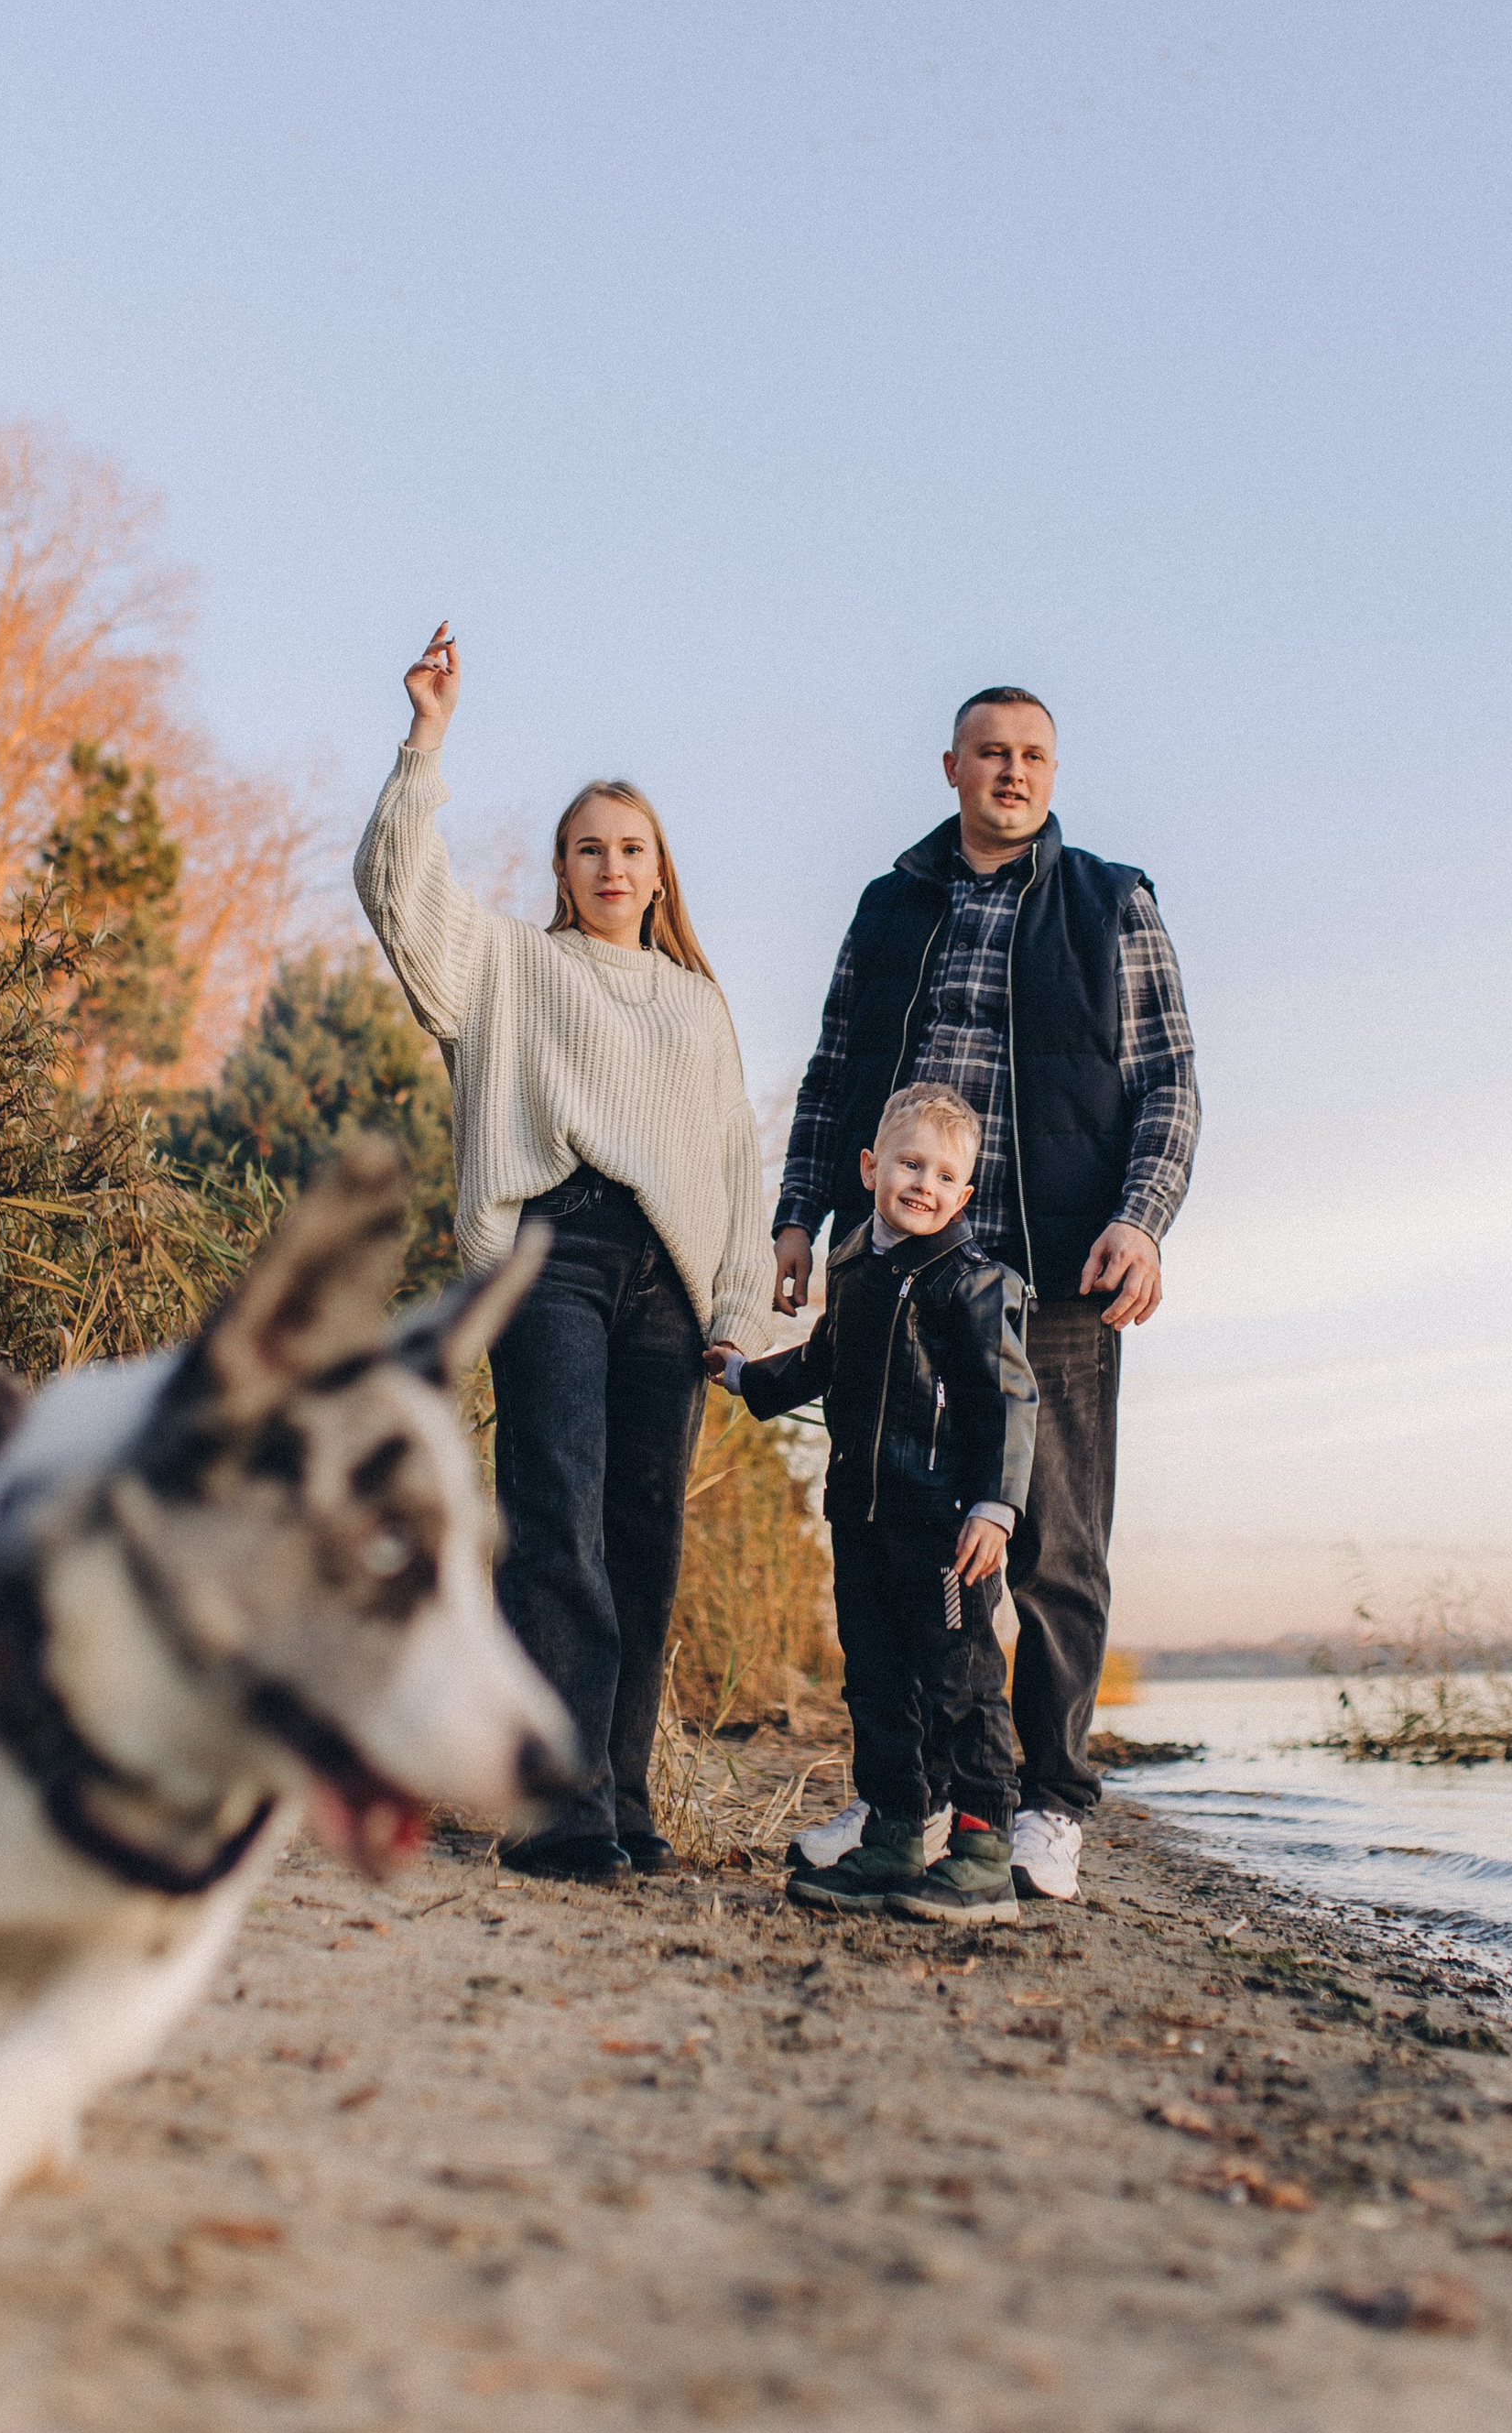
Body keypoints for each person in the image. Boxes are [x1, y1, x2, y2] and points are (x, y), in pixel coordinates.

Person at [354, 621, 772, 1882]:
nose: (610, 865)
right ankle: (555, 1810)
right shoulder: (511, 965)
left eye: (631, 848)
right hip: (553, 1253)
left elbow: (733, 1164)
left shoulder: (699, 1003)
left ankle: (622, 1800)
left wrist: (738, 1309)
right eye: (588, 847)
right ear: (561, 867)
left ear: (659, 870)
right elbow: (397, 892)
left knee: (643, 1539)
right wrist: (426, 741)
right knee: (557, 1523)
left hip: (669, 1279)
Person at [771, 688, 1199, 1906]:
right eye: (991, 753)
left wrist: (1140, 1220)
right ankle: (903, 1800)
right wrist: (801, 1213)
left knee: (1053, 1551)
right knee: (897, 1549)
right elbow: (833, 1072)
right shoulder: (890, 904)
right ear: (951, 765)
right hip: (897, 1280)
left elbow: (1168, 1083)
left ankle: (1047, 1807)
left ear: (1052, 772)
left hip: (1053, 1277)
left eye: (1033, 756)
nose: (1013, 772)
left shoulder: (1111, 902)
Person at [709, 1085, 1037, 1926]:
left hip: (946, 1528)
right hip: (860, 1518)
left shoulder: (975, 1284)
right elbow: (823, 1359)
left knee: (961, 1681)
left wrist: (995, 1507)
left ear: (965, 1194)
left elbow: (1008, 1402)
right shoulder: (853, 1267)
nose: (924, 1184)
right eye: (910, 1164)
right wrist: (745, 1375)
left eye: (945, 1175)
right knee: (878, 1683)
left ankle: (983, 1852)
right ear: (870, 1168)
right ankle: (894, 1836)